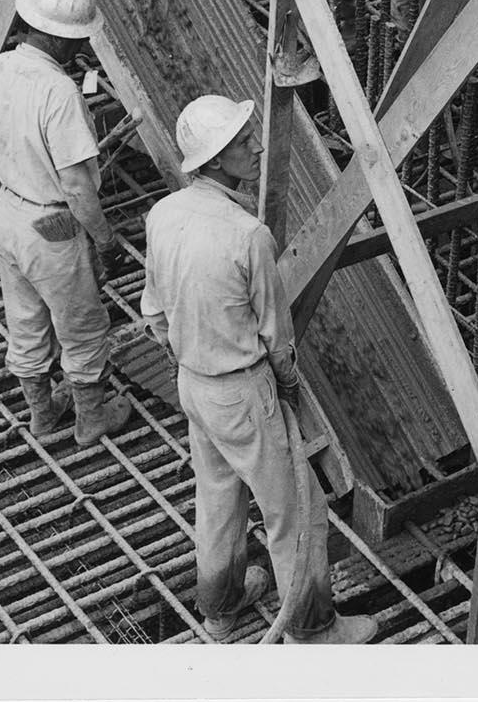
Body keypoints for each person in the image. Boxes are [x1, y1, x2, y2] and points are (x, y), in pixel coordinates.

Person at [141, 95, 377, 645]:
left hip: (194, 384)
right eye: (241, 142)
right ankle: (314, 631)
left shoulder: (163, 215)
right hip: (244, 391)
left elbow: (153, 312)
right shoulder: (247, 235)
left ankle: (221, 609)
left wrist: (192, 353)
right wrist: (287, 391)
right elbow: (276, 335)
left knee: (218, 495)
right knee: (296, 510)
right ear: (215, 161)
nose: (256, 145)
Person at [0, 0, 134, 449]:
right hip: (52, 222)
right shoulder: (59, 91)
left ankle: (43, 417)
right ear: (63, 39)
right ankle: (92, 419)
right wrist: (105, 241)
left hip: (6, 214)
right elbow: (77, 188)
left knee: (26, 320)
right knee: (82, 324)